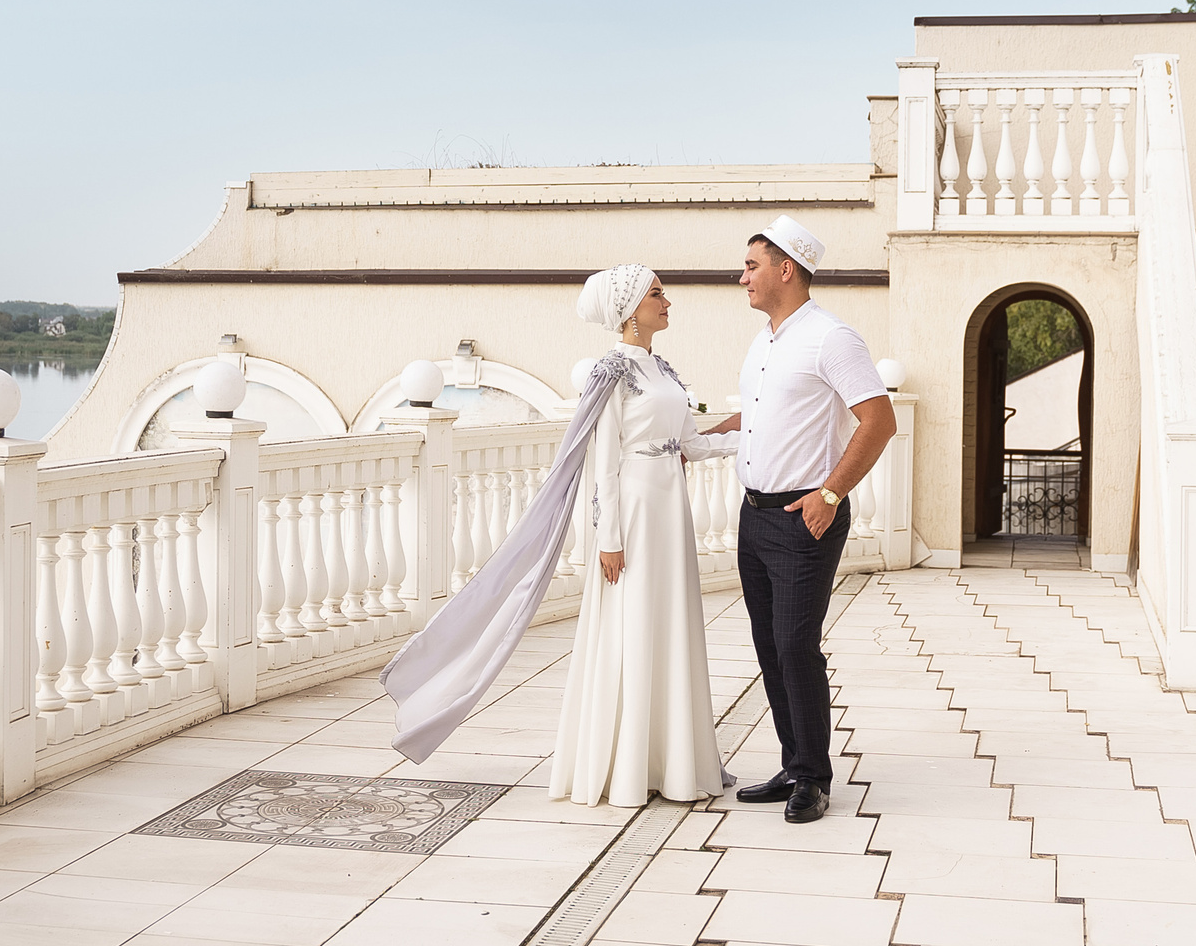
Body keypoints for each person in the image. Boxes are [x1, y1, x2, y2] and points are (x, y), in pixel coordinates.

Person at [381, 266, 734, 808]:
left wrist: (749, 437)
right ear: (629, 309)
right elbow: (604, 463)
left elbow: (689, 444)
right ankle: (622, 767)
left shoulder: (662, 368)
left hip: (670, 510)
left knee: (669, 626)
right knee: (632, 626)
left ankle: (674, 763)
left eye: (663, 293)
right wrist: (608, 538)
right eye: (657, 294)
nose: (668, 302)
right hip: (635, 514)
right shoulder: (610, 372)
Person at [700, 217, 895, 825]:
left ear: (786, 269)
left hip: (803, 516)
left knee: (795, 644)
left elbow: (879, 420)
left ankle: (813, 776)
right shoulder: (766, 340)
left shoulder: (833, 338)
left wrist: (830, 494)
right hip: (753, 516)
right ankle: (792, 762)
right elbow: (756, 422)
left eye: (752, 266)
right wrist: (694, 439)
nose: (743, 278)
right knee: (768, 644)